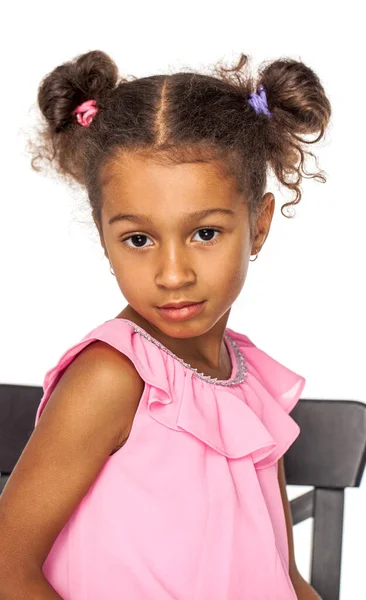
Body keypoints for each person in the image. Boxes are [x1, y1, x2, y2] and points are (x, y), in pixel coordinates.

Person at [0, 50, 330, 599]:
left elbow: (286, 579)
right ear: (105, 239)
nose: (172, 274)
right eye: (138, 239)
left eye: (205, 233)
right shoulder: (112, 378)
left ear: (259, 224)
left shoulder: (246, 380)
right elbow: (6, 568)